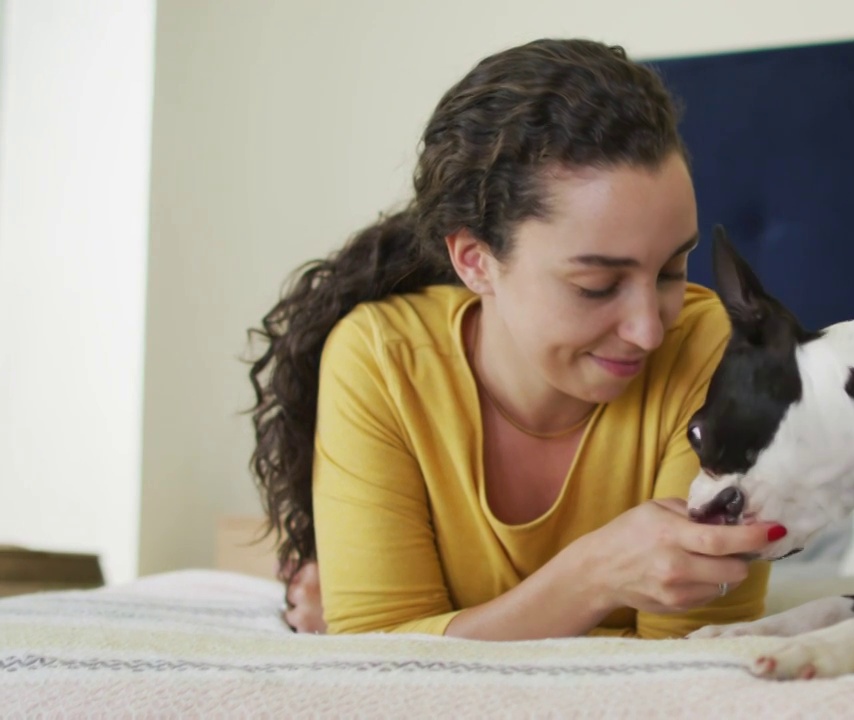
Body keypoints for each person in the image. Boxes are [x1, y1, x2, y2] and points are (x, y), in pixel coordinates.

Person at [245, 38, 784, 640]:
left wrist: (443, 633)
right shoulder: (383, 361)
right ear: (475, 261)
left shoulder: (715, 355)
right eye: (598, 284)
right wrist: (594, 577)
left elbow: (688, 657)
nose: (650, 329)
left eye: (670, 272)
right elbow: (381, 660)